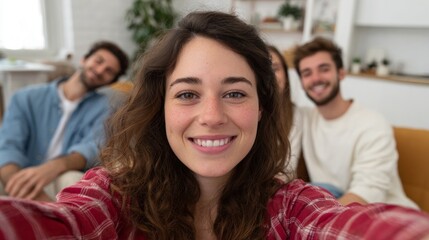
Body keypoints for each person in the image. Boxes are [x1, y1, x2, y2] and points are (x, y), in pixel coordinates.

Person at [0, 11, 429, 240]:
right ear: (160, 107)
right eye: (187, 93)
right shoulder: (113, 197)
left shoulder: (289, 206)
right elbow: (66, 224)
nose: (211, 116)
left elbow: (343, 224)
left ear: (263, 106)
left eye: (235, 93)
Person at [293, 36, 418, 208]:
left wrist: (318, 220)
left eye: (324, 69)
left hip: (386, 213)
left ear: (341, 73)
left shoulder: (372, 124)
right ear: (301, 83)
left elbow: (368, 191)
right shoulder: (304, 118)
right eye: (307, 73)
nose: (315, 78)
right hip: (336, 209)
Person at [0, 41, 129, 201]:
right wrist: (23, 187)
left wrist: (54, 167)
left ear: (111, 81)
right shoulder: (25, 98)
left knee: (73, 178)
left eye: (109, 71)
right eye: (98, 61)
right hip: (22, 173)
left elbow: (92, 148)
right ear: (84, 59)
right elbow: (7, 147)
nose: (100, 70)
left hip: (61, 177)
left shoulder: (107, 109)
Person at [267, 45, 302, 171]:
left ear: (286, 76)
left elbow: (288, 169)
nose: (270, 75)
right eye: (263, 70)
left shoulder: (296, 114)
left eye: (275, 68)